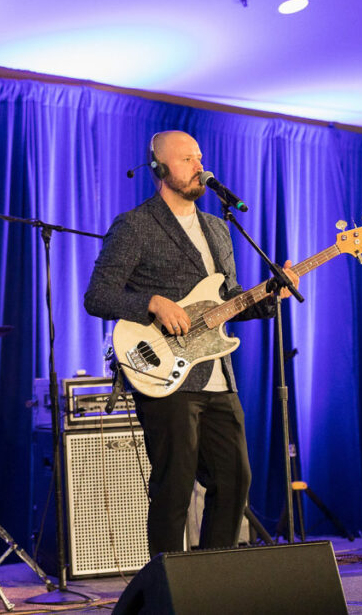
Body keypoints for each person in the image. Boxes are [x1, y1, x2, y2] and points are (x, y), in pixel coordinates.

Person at [84, 130, 298, 555]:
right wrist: (152, 303)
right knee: (174, 488)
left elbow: (230, 300)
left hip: (218, 376)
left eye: (199, 157)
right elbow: (97, 296)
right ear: (159, 169)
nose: (199, 166)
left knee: (235, 480)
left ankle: (210, 580)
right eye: (186, 160)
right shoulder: (136, 224)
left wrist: (272, 296)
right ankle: (167, 587)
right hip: (166, 375)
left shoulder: (219, 228)